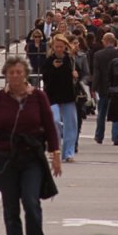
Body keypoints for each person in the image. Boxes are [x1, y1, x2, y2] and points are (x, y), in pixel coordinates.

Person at [0, 54, 61, 235]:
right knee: (10, 208)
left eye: (19, 72)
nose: (15, 76)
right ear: (6, 75)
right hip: (6, 157)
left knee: (31, 203)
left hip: (31, 157)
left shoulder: (38, 96)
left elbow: (49, 125)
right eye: (11, 73)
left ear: (26, 74)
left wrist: (56, 154)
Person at [41, 34, 78, 162]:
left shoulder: (70, 60)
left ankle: (68, 153)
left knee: (71, 124)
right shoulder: (48, 61)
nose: (59, 49)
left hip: (68, 95)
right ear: (53, 47)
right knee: (54, 121)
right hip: (52, 96)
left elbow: (78, 74)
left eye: (61, 47)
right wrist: (54, 69)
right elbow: (45, 79)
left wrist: (75, 74)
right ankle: (54, 149)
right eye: (56, 47)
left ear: (65, 47)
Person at [91, 32, 118, 145]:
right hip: (116, 88)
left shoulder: (98, 55)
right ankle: (116, 137)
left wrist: (93, 88)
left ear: (105, 41)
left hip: (103, 88)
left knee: (101, 113)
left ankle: (99, 136)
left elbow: (96, 73)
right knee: (116, 113)